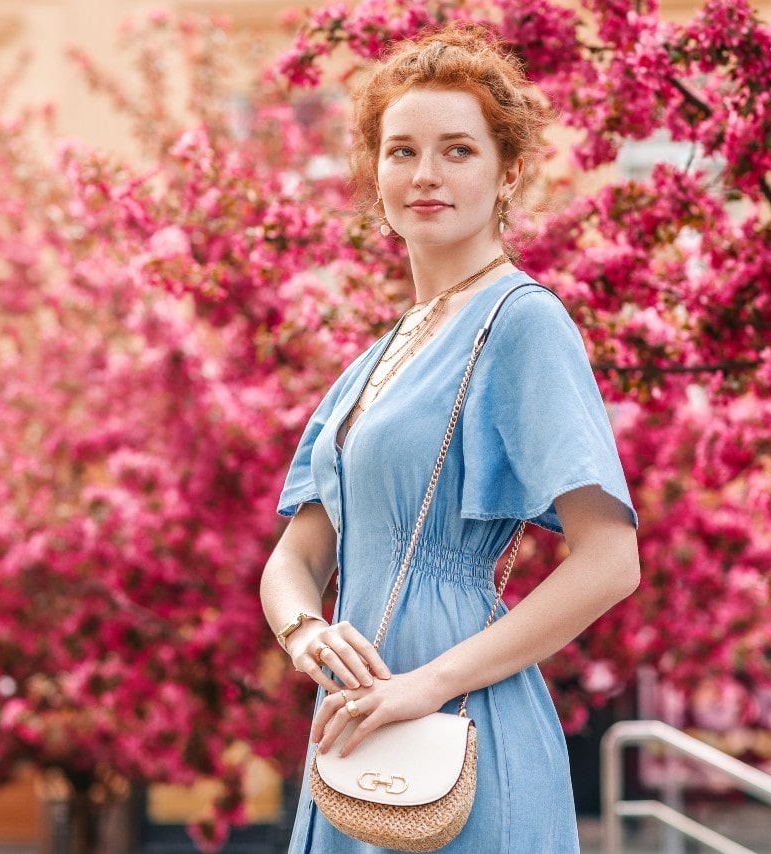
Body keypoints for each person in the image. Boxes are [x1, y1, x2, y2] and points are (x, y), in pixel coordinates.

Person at [259, 22, 641, 853]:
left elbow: (612, 560)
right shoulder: (371, 363)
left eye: (458, 150)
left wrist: (425, 686)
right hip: (357, 733)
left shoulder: (523, 323)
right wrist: (305, 634)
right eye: (401, 152)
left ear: (508, 174)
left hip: (460, 725)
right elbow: (295, 559)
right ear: (376, 175)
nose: (425, 175)